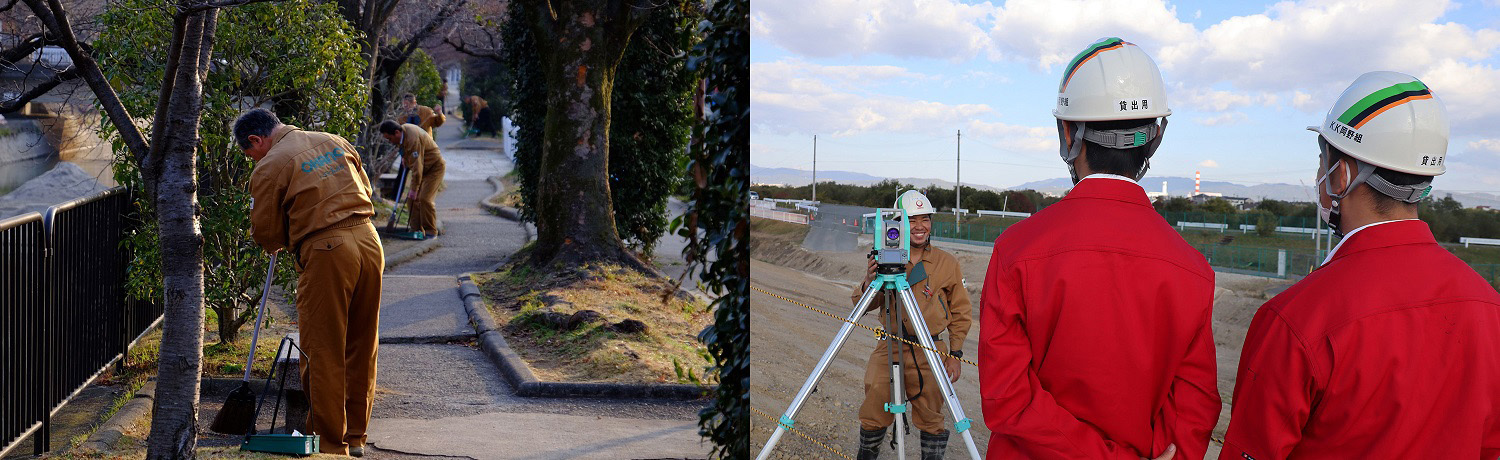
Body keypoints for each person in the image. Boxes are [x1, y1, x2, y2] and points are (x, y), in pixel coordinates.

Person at [1219, 71, 1500, 459]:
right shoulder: (1489, 306)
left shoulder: (1296, 318)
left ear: (1343, 174)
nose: (1318, 176)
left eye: (1323, 162)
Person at [978, 37, 1219, 459]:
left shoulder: (1016, 250)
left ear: (1068, 134)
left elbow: (1007, 397)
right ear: (1155, 138)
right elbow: (1194, 408)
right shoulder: (1194, 269)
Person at [237, 108, 384, 457]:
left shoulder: (270, 165)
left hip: (329, 250)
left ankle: (331, 444)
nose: (252, 159)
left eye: (249, 153)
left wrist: (278, 239)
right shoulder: (333, 141)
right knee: (363, 343)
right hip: (369, 240)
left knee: (323, 350)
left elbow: (266, 233)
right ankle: (357, 436)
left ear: (256, 140)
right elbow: (365, 187)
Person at [851, 190, 972, 460]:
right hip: (890, 344)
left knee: (932, 414)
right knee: (874, 404)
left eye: (925, 219)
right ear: (898, 223)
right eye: (912, 219)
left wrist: (955, 354)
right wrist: (871, 281)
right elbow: (862, 304)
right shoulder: (886, 257)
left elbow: (961, 311)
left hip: (930, 347)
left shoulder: (946, 262)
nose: (919, 227)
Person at [378, 119, 445, 238]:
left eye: (389, 138)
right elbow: (406, 150)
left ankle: (430, 231)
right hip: (423, 168)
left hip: (434, 168)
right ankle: (416, 230)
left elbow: (417, 168)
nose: (390, 142)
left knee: (424, 199)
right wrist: (405, 157)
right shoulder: (403, 133)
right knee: (411, 200)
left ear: (397, 133)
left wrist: (414, 189)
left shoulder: (412, 138)